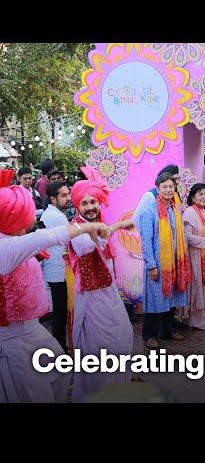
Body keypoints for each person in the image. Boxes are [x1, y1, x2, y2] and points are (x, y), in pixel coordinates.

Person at [0, 174, 110, 402]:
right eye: (28, 212)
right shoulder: (6, 247)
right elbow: (48, 237)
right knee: (32, 392)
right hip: (13, 336)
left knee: (58, 373)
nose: (33, 216)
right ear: (15, 217)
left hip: (30, 328)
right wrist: (89, 226)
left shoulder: (10, 240)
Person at [67, 167, 134, 402]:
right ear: (77, 207)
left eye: (93, 202)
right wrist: (119, 226)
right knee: (100, 348)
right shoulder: (76, 229)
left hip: (108, 292)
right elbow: (87, 246)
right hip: (91, 297)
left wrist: (113, 227)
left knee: (123, 337)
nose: (90, 207)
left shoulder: (98, 223)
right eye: (84, 203)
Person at [139, 172, 191, 349]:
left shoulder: (175, 209)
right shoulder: (149, 211)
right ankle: (149, 335)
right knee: (154, 302)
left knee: (171, 300)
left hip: (175, 263)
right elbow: (145, 240)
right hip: (158, 265)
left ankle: (167, 331)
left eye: (171, 186)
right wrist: (151, 265)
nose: (168, 190)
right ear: (157, 189)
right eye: (165, 187)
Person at [39, 181, 72, 352]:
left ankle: (60, 348)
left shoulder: (50, 214)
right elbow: (69, 239)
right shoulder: (57, 216)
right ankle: (60, 350)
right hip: (57, 271)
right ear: (53, 198)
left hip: (53, 269)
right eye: (63, 195)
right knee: (60, 314)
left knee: (59, 313)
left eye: (68, 194)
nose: (68, 198)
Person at [183, 183, 205, 331]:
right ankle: (196, 321)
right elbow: (187, 236)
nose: (204, 197)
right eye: (200, 194)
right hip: (195, 256)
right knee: (197, 286)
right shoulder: (190, 212)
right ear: (193, 197)